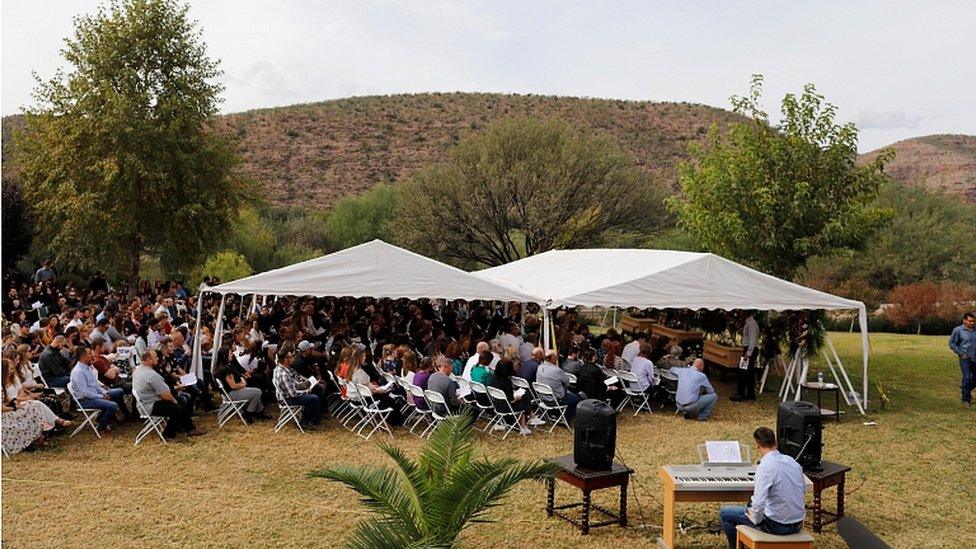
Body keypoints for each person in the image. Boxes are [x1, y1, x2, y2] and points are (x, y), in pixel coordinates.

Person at [719, 427, 806, 548]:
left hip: (777, 525)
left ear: (758, 445)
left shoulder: (765, 467)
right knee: (751, 506)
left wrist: (754, 519)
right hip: (797, 523)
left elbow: (758, 504)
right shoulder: (793, 462)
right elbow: (803, 490)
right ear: (775, 443)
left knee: (725, 513)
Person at [132, 350, 205, 439]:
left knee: (178, 405)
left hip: (143, 404)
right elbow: (165, 395)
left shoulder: (138, 370)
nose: (158, 359)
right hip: (151, 405)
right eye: (155, 357)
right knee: (178, 407)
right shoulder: (151, 375)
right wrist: (174, 401)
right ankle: (186, 430)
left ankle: (176, 429)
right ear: (148, 360)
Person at [69, 346, 125, 432]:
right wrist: (100, 396)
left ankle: (107, 417)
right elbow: (84, 392)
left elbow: (95, 384)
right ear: (83, 356)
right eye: (89, 354)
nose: (92, 355)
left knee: (119, 391)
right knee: (113, 405)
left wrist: (103, 392)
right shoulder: (78, 372)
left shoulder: (87, 367)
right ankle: (102, 425)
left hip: (94, 394)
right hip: (85, 400)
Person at [273, 346, 324, 430]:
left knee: (318, 388)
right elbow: (293, 394)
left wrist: (307, 382)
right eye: (292, 356)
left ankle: (316, 417)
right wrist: (307, 391)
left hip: (291, 392)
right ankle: (304, 422)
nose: (294, 357)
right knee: (313, 398)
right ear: (286, 359)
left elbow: (296, 376)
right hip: (287, 399)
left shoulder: (285, 368)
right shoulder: (283, 374)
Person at [214, 347, 268, 422]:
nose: (232, 355)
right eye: (230, 354)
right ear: (224, 356)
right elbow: (233, 386)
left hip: (228, 393)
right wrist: (243, 384)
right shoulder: (225, 369)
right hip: (231, 394)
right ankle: (249, 412)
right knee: (258, 392)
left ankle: (260, 412)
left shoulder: (221, 368)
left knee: (255, 393)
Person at [537, 349, 582, 420]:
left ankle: (557, 414)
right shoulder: (557, 370)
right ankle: (567, 418)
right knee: (578, 398)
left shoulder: (540, 367)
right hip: (556, 399)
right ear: (552, 358)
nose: (557, 358)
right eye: (556, 356)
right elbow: (567, 383)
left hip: (543, 397)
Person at [490, 358, 531, 435]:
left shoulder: (494, 377)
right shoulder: (506, 382)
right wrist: (518, 397)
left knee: (523, 397)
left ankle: (528, 418)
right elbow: (511, 400)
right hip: (506, 407)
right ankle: (523, 426)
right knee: (525, 398)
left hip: (497, 405)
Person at [949, 312, 976, 407]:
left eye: (973, 321)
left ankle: (965, 389)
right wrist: (960, 353)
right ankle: (966, 399)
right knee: (967, 377)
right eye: (970, 321)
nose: (972, 323)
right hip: (965, 359)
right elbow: (952, 343)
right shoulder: (958, 330)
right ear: (964, 320)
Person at [732, 311, 760, 402]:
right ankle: (750, 395)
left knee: (742, 372)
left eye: (742, 312)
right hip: (749, 349)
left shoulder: (751, 323)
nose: (740, 314)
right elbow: (746, 336)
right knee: (749, 373)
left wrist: (747, 354)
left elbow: (752, 340)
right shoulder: (748, 323)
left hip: (749, 350)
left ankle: (741, 394)